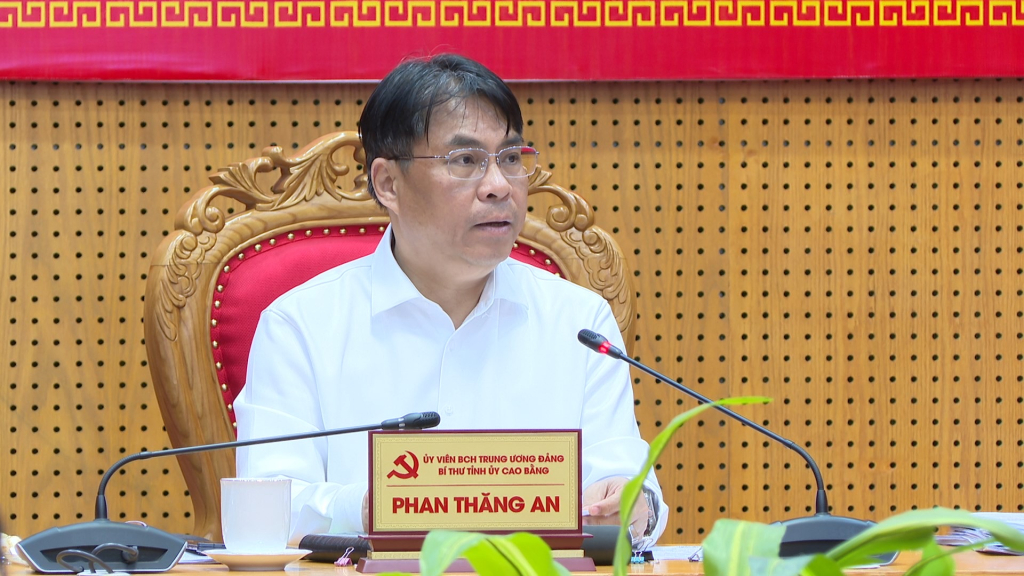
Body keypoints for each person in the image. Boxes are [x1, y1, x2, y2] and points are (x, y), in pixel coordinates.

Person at [234, 53, 668, 547]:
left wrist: (634, 505)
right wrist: (371, 507)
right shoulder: (301, 325)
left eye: (510, 158)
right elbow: (268, 510)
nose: (499, 186)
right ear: (388, 183)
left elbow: (627, 484)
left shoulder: (578, 322)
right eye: (465, 161)